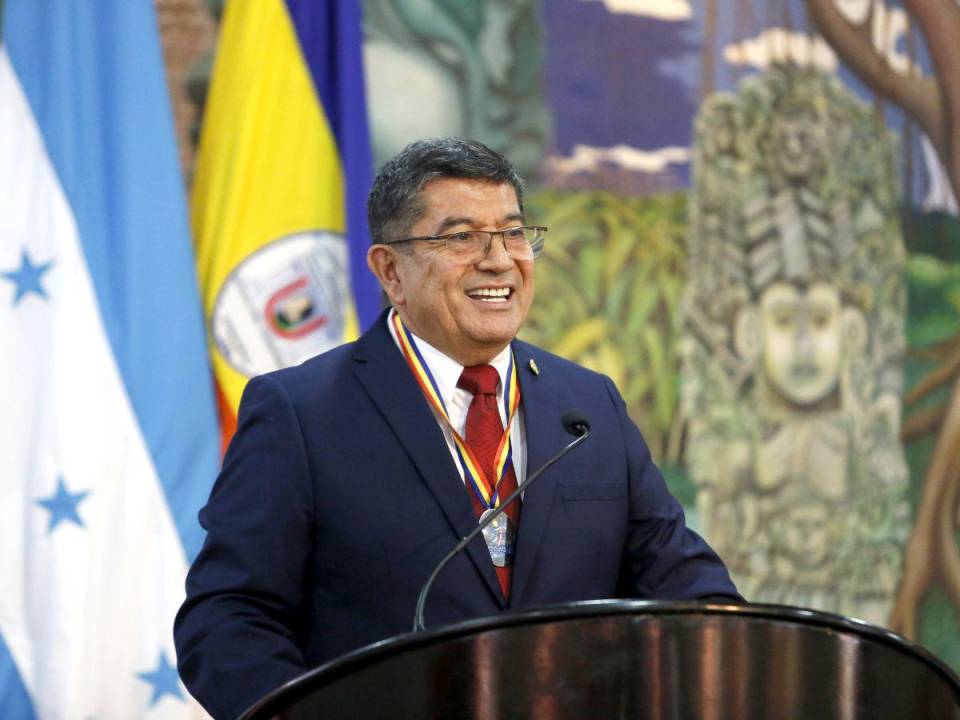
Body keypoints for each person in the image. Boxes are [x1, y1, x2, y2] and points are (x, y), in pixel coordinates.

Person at [174, 138, 741, 720]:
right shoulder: (302, 413)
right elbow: (227, 619)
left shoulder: (588, 406)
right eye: (462, 237)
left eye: (514, 233)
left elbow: (683, 580)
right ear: (390, 270)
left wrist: (739, 651)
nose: (499, 261)